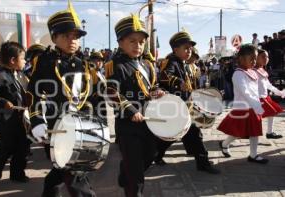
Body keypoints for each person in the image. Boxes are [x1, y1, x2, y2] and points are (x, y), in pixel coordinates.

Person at [27, 3, 96, 197]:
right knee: (74, 172)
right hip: (56, 126)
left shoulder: (83, 63)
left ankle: (50, 192)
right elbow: (34, 93)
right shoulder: (45, 61)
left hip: (79, 125)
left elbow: (89, 96)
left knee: (63, 171)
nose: (72, 40)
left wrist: (90, 119)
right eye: (66, 36)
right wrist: (37, 120)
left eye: (76, 36)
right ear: (54, 37)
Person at [105, 14, 165, 196]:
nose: (137, 45)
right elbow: (111, 92)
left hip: (148, 120)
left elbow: (150, 87)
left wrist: (157, 92)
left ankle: (125, 172)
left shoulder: (146, 65)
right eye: (132, 41)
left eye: (141, 42)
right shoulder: (115, 65)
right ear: (120, 42)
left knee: (150, 155)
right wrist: (130, 110)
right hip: (128, 124)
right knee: (136, 170)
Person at [157, 31, 220, 174]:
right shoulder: (171, 61)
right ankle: (201, 162)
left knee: (187, 133)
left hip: (186, 104)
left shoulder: (183, 63)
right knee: (184, 133)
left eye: (190, 48)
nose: (189, 51)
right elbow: (164, 75)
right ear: (175, 49)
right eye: (186, 48)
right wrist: (178, 82)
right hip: (176, 105)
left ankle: (201, 161)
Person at [0, 41, 30, 182]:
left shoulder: (21, 75)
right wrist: (3, 102)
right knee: (7, 146)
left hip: (22, 118)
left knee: (23, 147)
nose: (25, 61)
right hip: (6, 120)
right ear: (12, 60)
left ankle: (17, 174)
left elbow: (27, 92)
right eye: (22, 58)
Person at [218, 44, 269, 164]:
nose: (254, 61)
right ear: (240, 59)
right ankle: (225, 144)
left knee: (255, 132)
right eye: (251, 58)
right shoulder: (238, 74)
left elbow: (257, 89)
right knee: (237, 133)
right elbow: (245, 91)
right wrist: (257, 105)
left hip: (253, 107)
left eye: (255, 58)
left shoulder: (252, 72)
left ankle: (253, 155)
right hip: (242, 109)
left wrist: (260, 100)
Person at [255, 49, 285, 139]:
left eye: (267, 56)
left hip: (264, 97)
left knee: (271, 112)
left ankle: (269, 132)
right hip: (256, 99)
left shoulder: (262, 70)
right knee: (251, 119)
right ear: (256, 58)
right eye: (263, 57)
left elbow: (269, 85)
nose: (266, 59)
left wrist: (280, 93)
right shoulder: (251, 70)